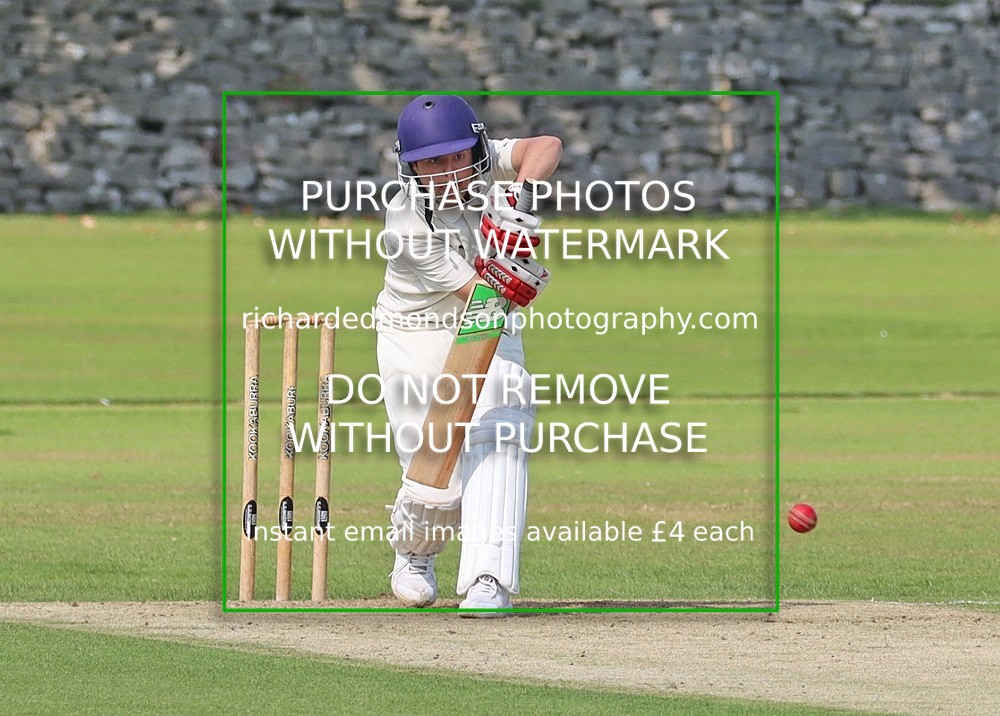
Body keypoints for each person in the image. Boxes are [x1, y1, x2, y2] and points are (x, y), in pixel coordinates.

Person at [375, 95, 562, 615]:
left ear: (476, 147)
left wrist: (519, 196)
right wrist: (513, 268)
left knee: (505, 411)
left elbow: (547, 145)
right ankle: (414, 554)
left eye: (457, 156)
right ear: (409, 167)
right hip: (415, 330)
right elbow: (481, 293)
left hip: (489, 316)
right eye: (431, 162)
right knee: (436, 468)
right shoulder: (405, 226)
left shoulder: (487, 159)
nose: (448, 171)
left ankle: (488, 578)